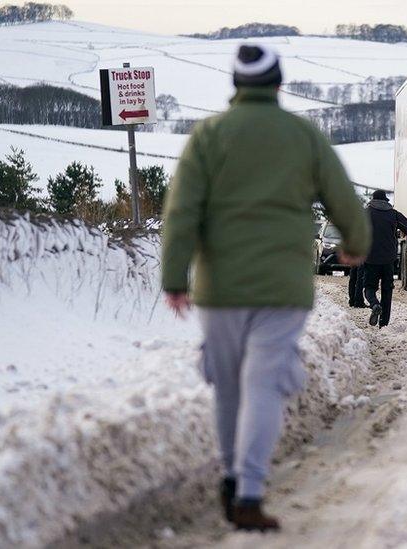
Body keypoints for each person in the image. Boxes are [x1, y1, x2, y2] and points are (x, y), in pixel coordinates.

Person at [160, 44, 369, 532]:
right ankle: (249, 492)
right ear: (278, 84)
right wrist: (354, 244)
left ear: (236, 85)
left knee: (229, 388)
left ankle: (232, 477)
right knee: (264, 388)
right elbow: (343, 197)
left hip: (220, 289)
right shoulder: (302, 135)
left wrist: (175, 278)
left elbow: (181, 211)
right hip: (282, 289)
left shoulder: (208, 136)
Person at [364, 189, 407, 328]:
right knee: (387, 291)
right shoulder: (393, 214)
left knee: (369, 288)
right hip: (388, 260)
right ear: (386, 201)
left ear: (372, 200)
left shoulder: (365, 213)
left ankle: (374, 304)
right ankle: (384, 324)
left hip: (370, 259)